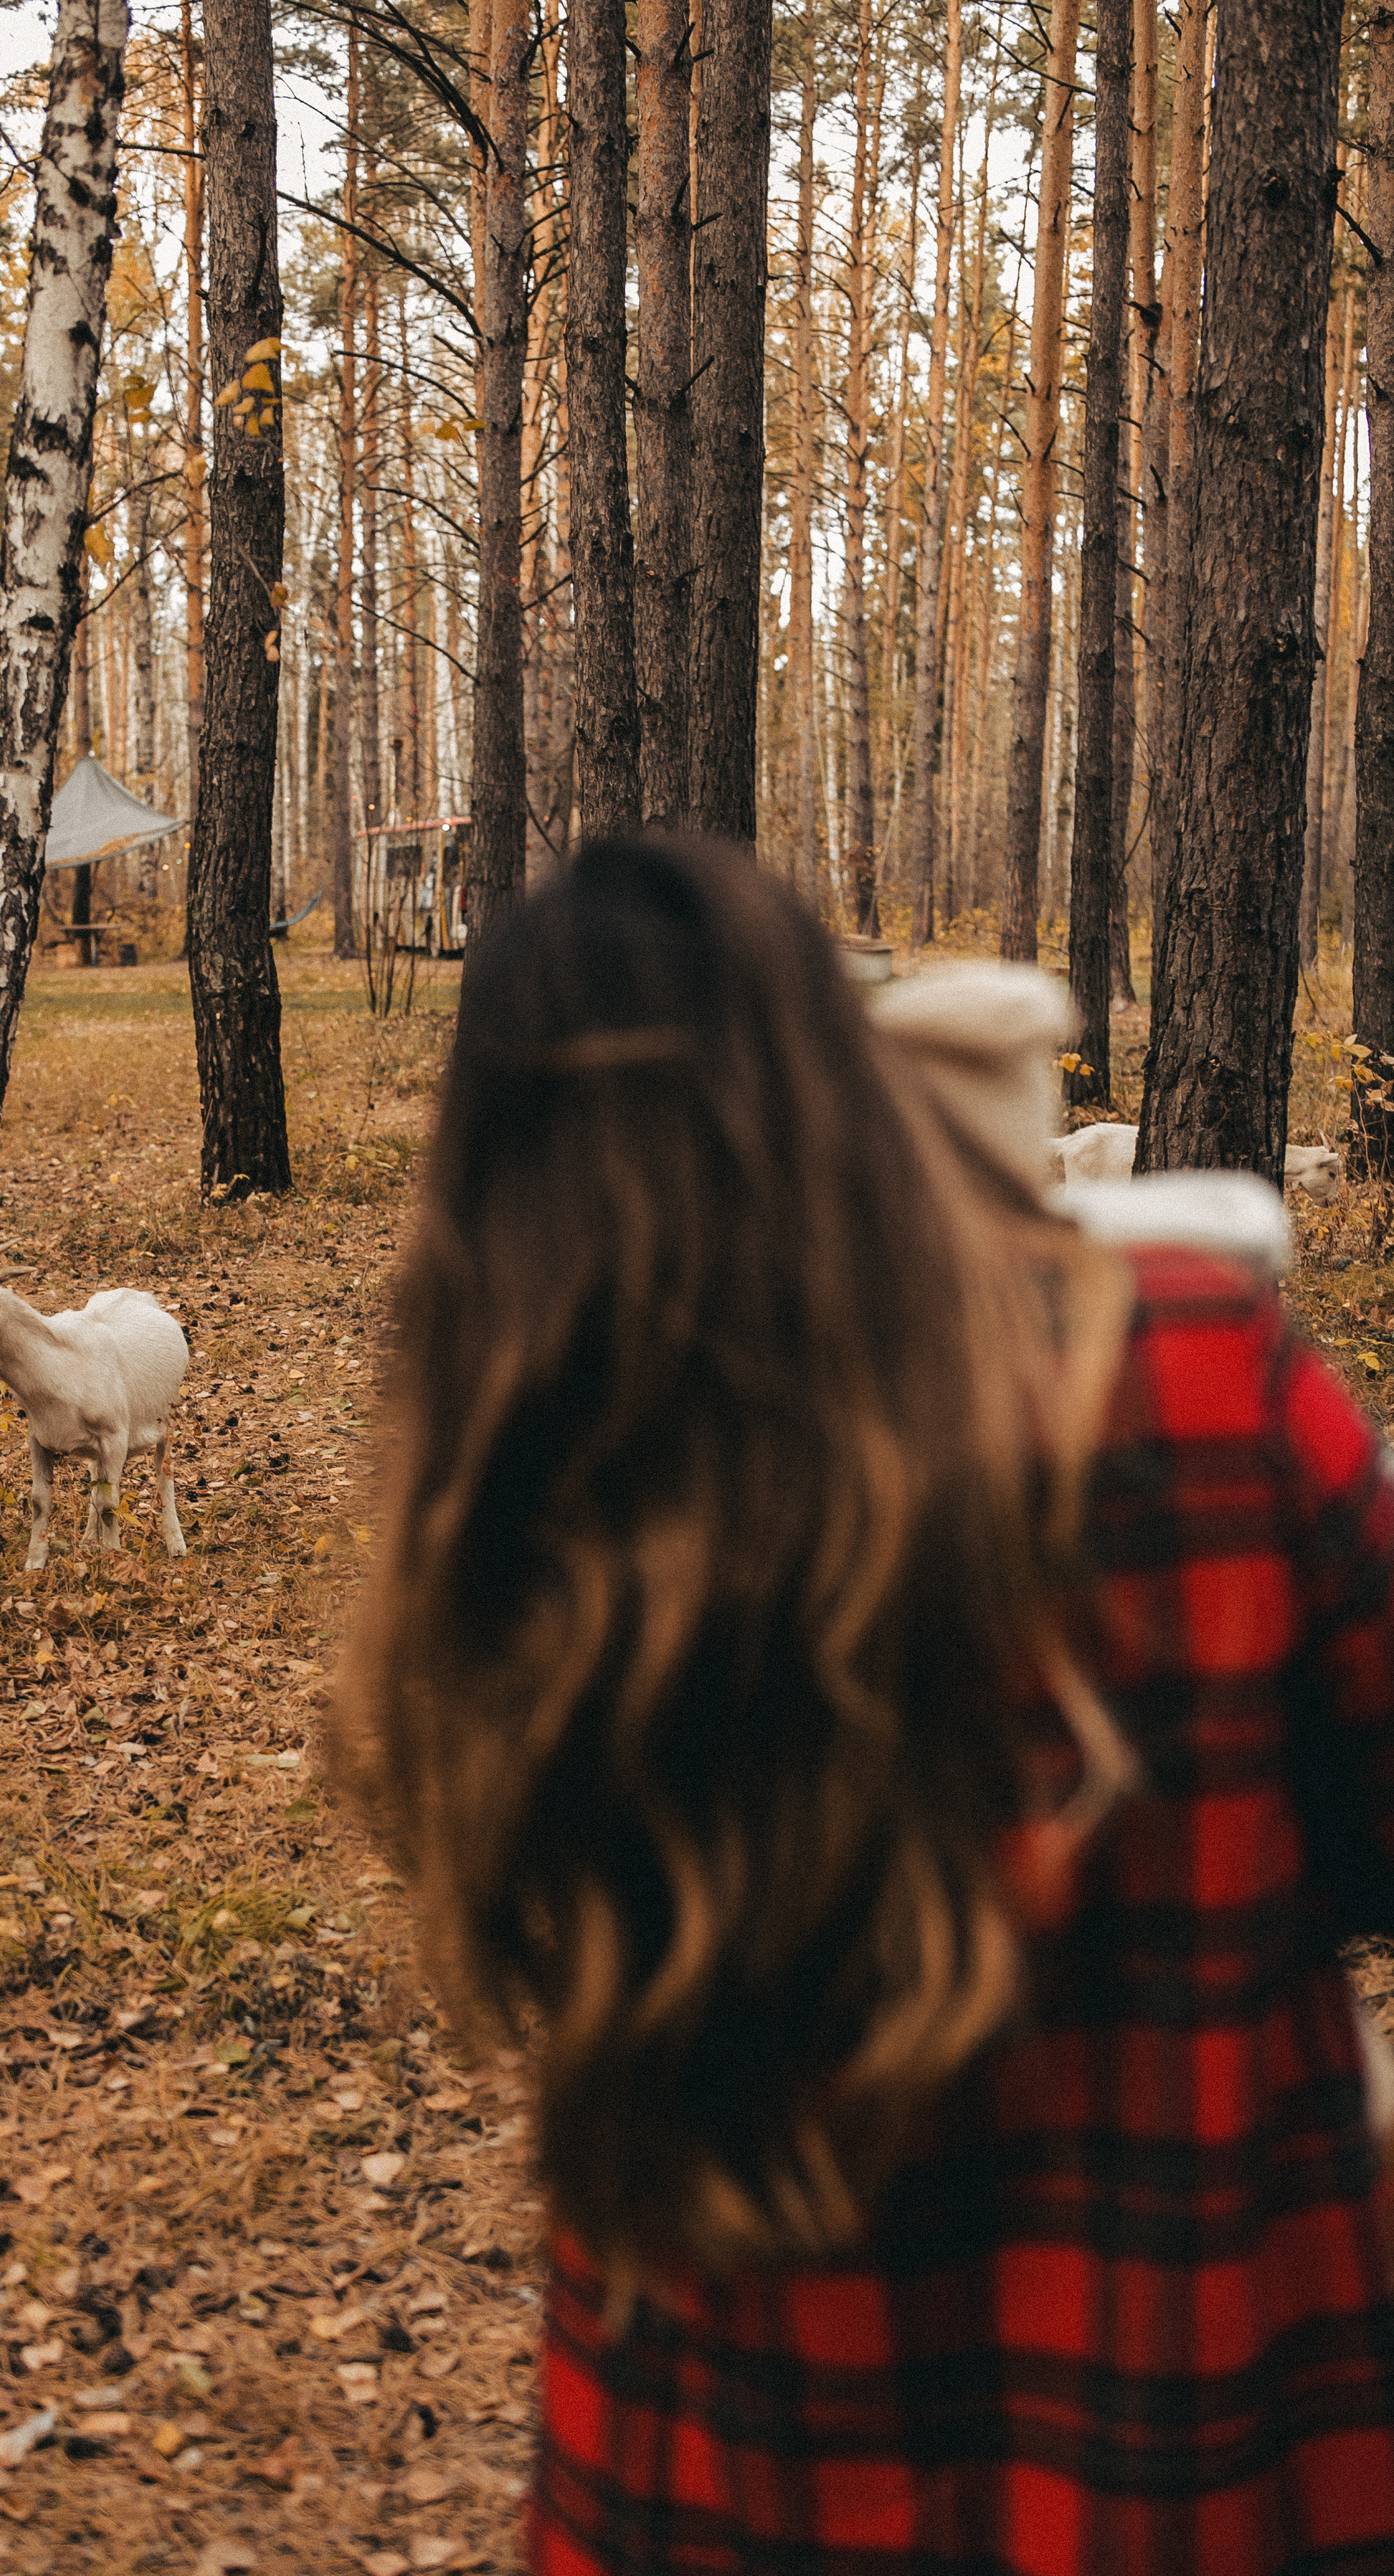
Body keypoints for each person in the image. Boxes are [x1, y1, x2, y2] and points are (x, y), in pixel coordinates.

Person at [334, 835, 1394, 2574]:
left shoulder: (523, 1525)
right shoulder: (1193, 1371)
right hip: (1170, 2445)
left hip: (710, 2479)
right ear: (839, 1076)